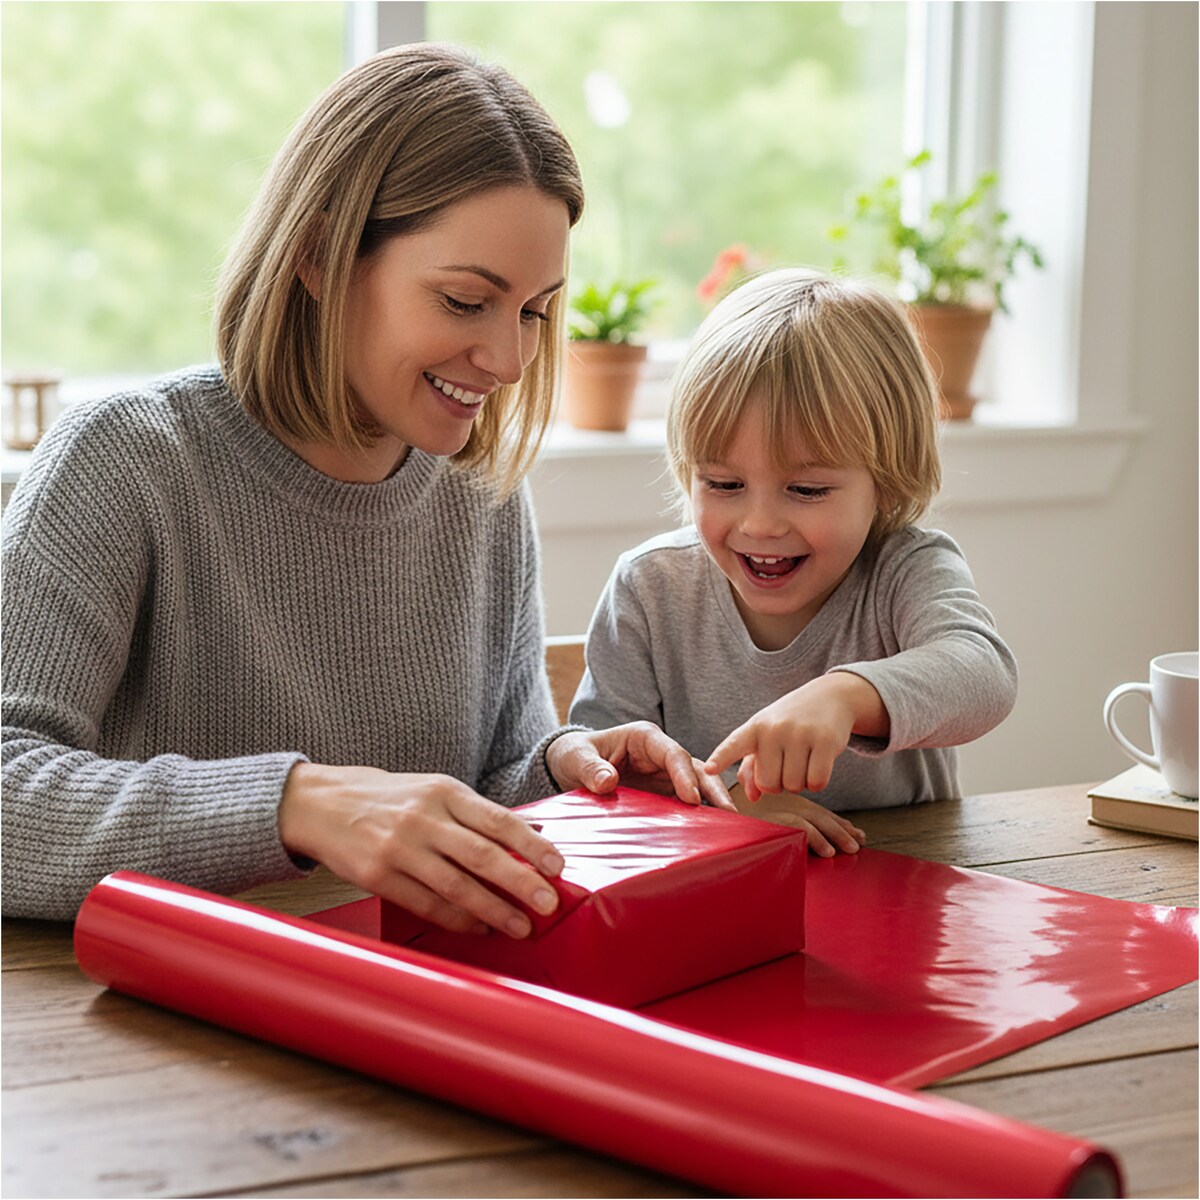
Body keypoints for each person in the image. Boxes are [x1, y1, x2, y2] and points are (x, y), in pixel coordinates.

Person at [1, 43, 731, 928]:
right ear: (317, 256)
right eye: (466, 301)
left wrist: (563, 772)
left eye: (535, 311)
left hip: (398, 1007)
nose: (507, 359)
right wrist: (295, 806)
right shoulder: (127, 463)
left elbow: (491, 775)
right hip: (156, 1025)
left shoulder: (479, 494)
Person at [570, 268, 1018, 857]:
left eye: (806, 490)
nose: (760, 524)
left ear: (885, 483)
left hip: (901, 885)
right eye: (724, 483)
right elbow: (607, 778)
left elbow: (984, 674)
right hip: (717, 895)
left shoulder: (904, 569)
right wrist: (733, 809)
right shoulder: (650, 588)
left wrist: (844, 695)